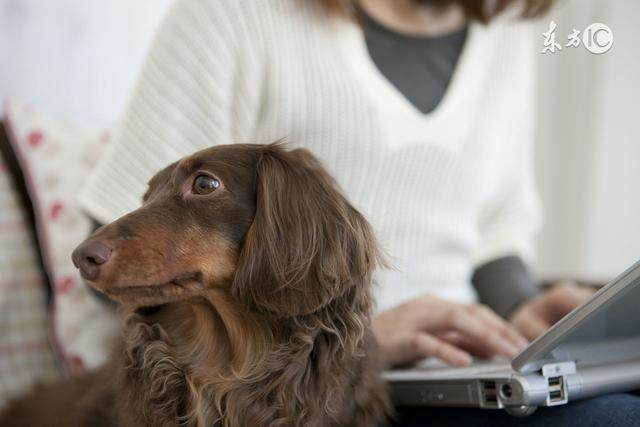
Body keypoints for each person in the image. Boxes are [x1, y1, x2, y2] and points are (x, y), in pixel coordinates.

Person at [79, 0, 640, 424]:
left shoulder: (505, 37)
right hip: (308, 385)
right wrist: (365, 339)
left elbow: (496, 228)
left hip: (456, 367)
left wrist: (525, 311)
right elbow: (122, 258)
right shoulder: (233, 14)